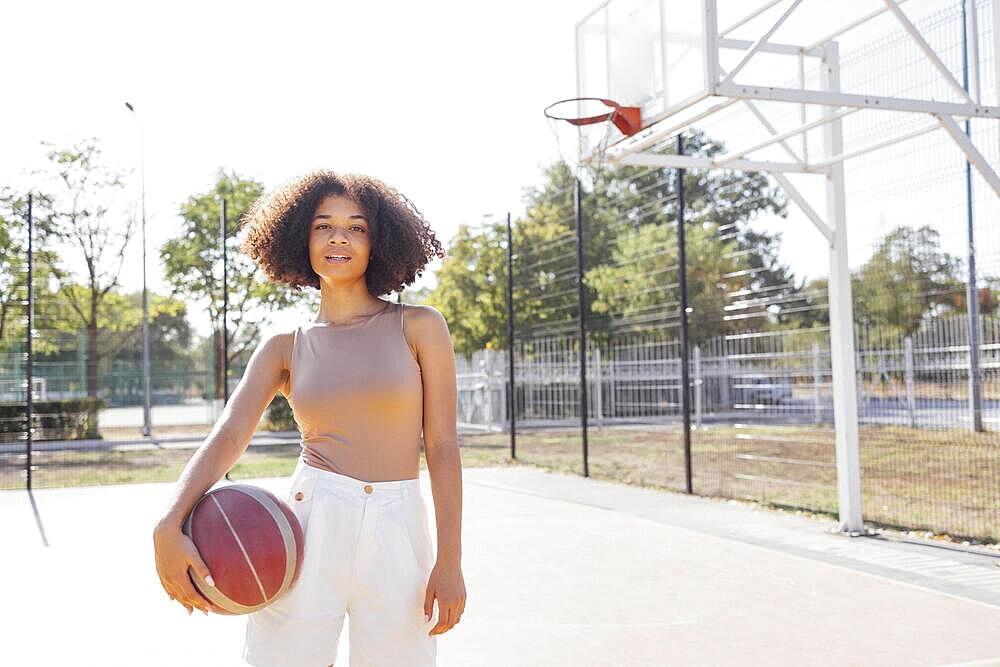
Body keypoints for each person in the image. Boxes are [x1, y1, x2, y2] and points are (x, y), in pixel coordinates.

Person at [152, 170, 466, 666]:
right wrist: (168, 524)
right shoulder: (284, 346)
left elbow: (444, 446)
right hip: (309, 521)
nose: (339, 237)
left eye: (356, 227)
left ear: (379, 241)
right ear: (301, 236)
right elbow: (230, 434)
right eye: (324, 225)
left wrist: (450, 560)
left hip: (397, 525)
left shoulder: (420, 326)